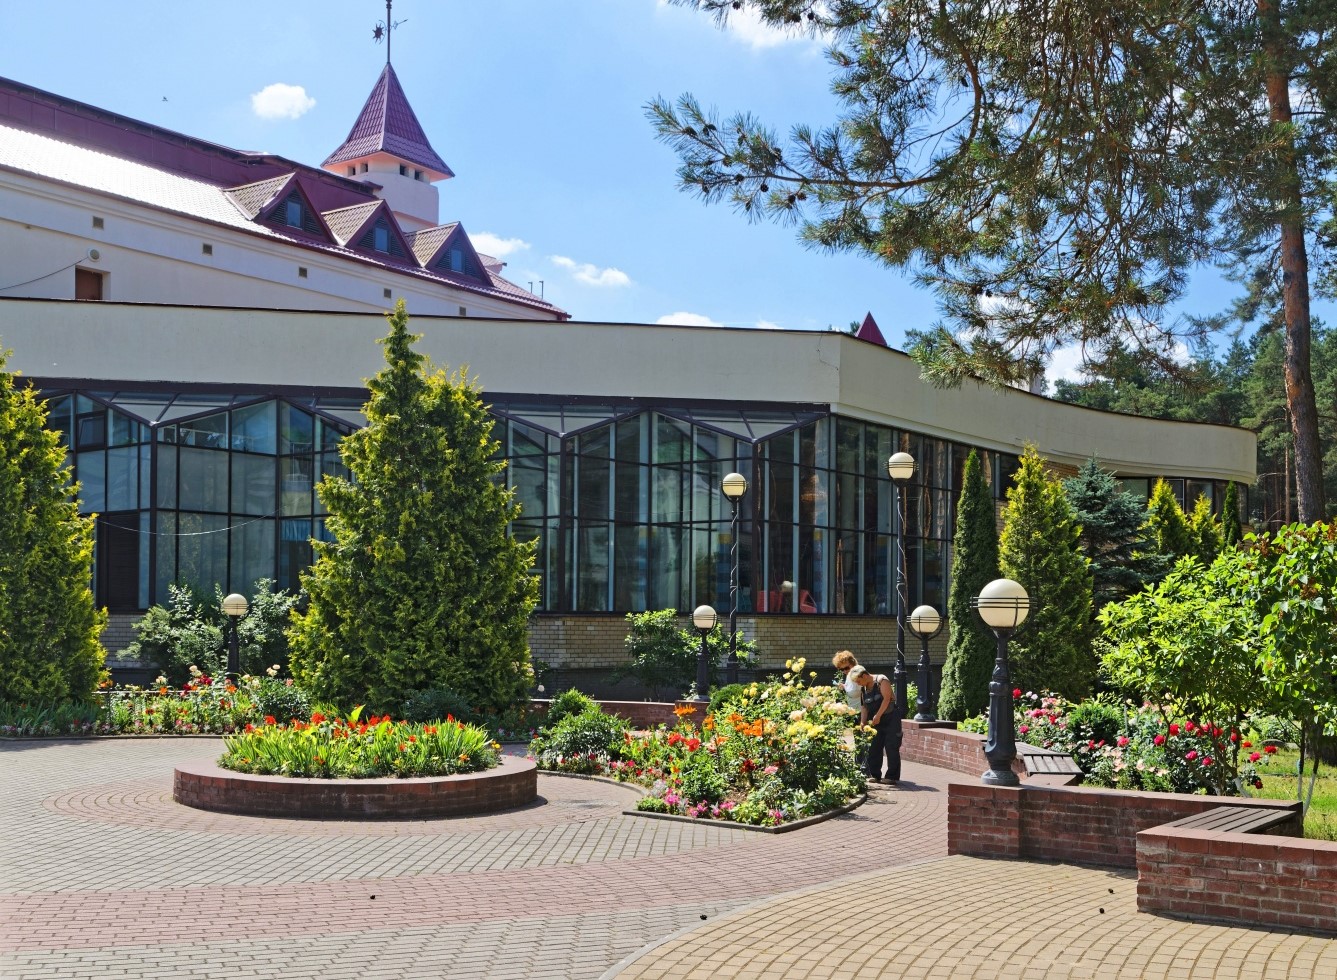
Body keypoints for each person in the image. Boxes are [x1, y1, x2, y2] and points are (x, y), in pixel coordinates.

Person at [848, 665, 901, 785]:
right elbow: (864, 707)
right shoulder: (864, 689)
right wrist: (863, 721)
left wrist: (878, 715)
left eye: (859, 681)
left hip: (891, 718)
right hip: (876, 721)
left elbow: (887, 699)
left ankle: (891, 776)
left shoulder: (882, 680)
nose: (858, 684)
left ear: (864, 676)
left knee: (892, 746)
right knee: (874, 747)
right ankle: (875, 775)